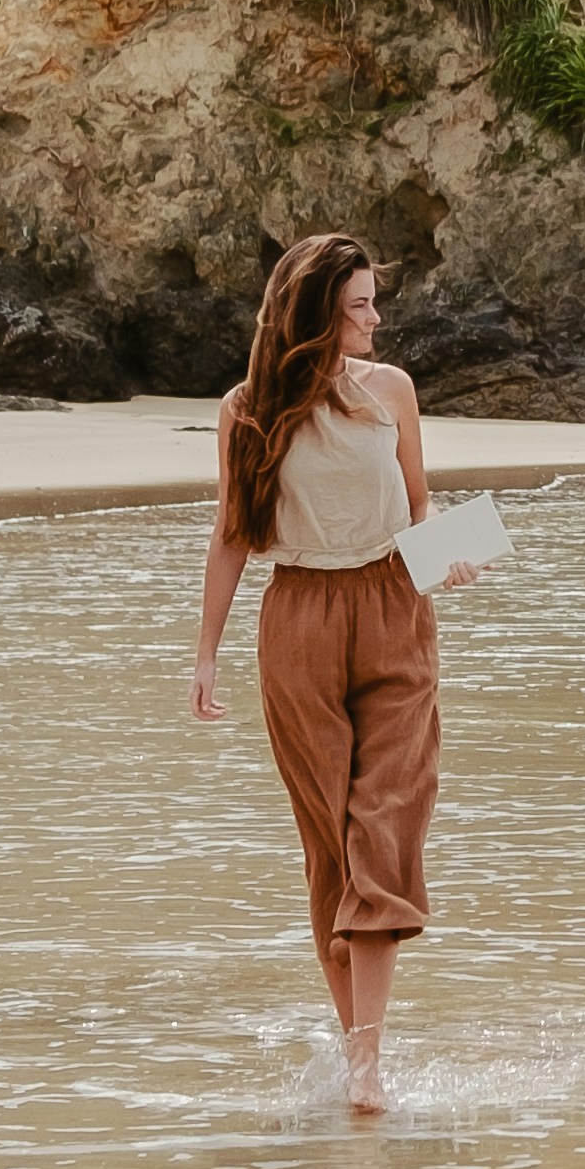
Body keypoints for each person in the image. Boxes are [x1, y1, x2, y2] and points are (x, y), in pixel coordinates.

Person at [185, 231, 475, 1116]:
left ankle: (368, 1062)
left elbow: (419, 503)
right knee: (330, 848)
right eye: (360, 305)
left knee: (383, 824)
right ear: (316, 312)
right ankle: (359, 1058)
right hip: (299, 618)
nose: (377, 319)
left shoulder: (392, 391)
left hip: (394, 607)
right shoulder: (246, 408)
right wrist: (205, 651)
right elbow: (235, 531)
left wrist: (451, 554)